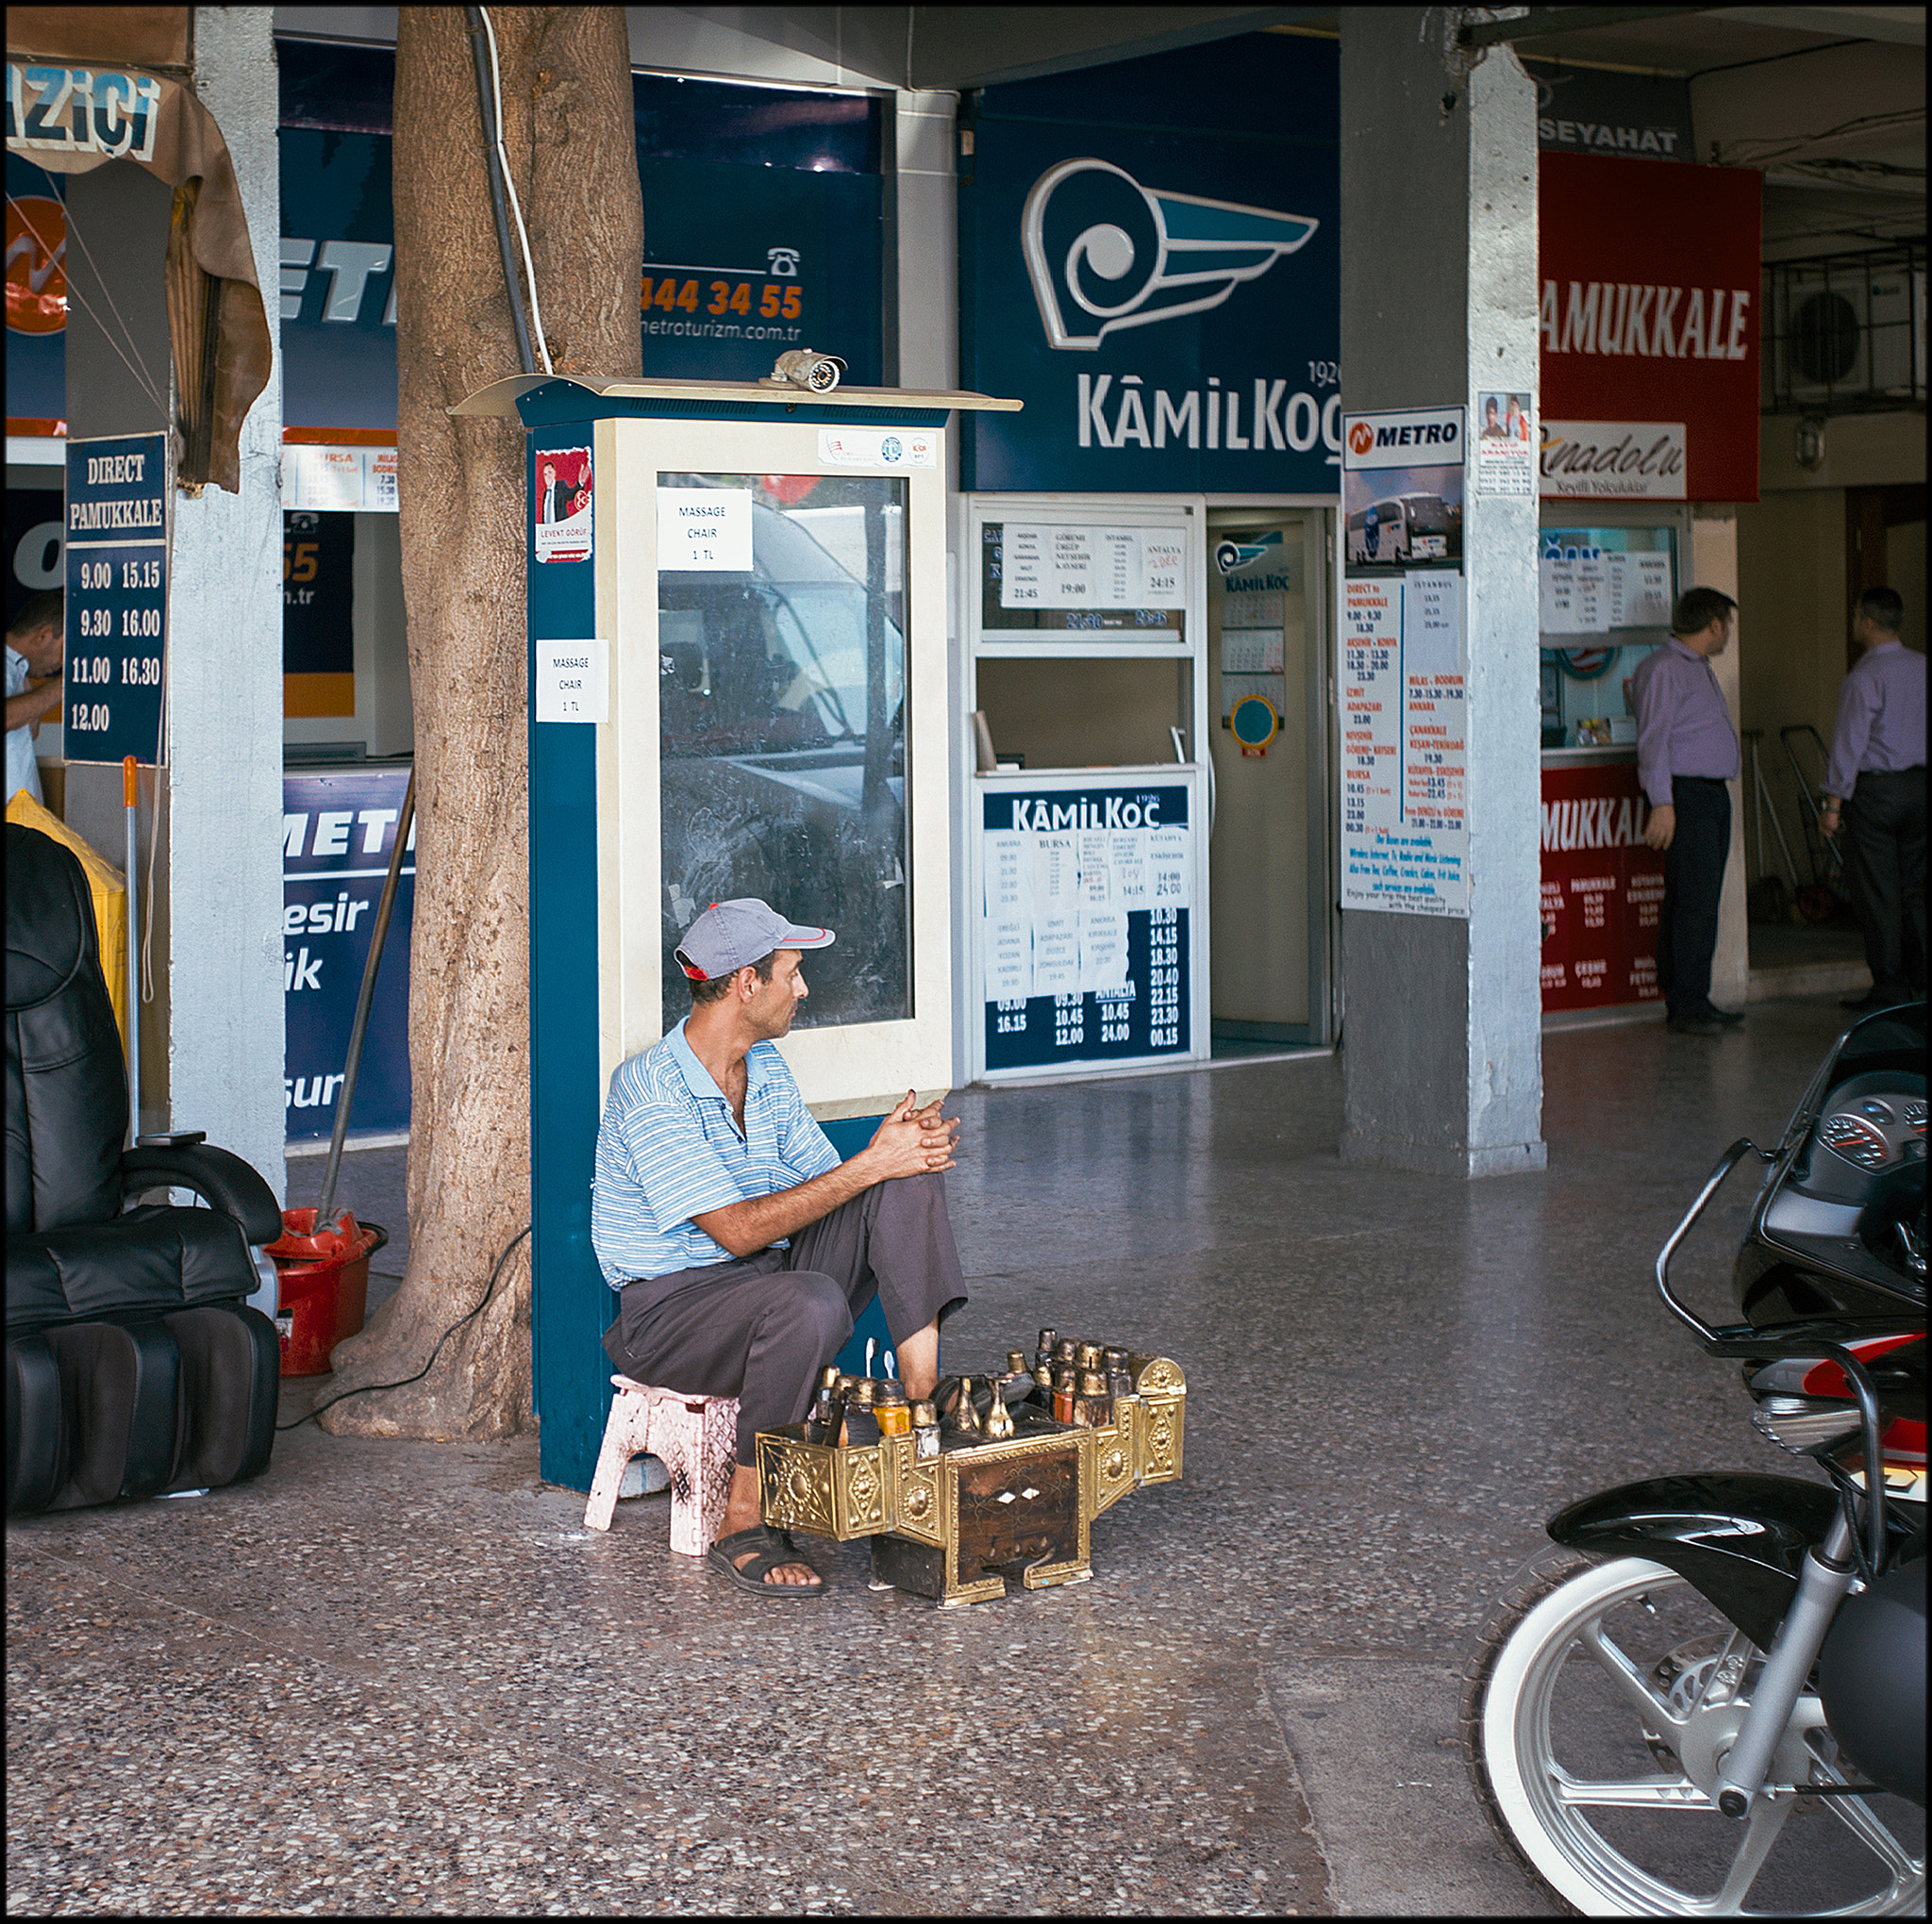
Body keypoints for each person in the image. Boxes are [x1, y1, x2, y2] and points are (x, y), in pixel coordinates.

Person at [592, 898, 968, 1598]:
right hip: (669, 1316)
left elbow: (836, 1192)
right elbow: (735, 1230)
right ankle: (743, 1520)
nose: (802, 989)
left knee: (903, 1183)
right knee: (810, 1298)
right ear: (745, 983)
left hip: (762, 1282)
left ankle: (924, 1418)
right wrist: (870, 1162)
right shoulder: (649, 1090)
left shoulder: (765, 1073)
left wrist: (904, 1151)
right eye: (792, 973)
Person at [1632, 586, 1742, 1036]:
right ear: (1713, 624)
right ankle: (1687, 1003)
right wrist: (1662, 802)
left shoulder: (1695, 667)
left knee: (1698, 898)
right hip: (1686, 796)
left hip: (1709, 794)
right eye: (1727, 625)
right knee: (1693, 902)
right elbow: (1654, 742)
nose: (1728, 634)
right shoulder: (1665, 670)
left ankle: (1693, 995)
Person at [1820, 587, 1925, 1012]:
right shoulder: (1922, 667)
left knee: (1878, 893)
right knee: (1912, 889)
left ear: (1866, 621)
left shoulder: (1863, 678)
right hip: (1920, 789)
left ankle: (1889, 988)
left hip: (1878, 794)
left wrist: (1832, 805)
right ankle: (1921, 981)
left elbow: (1849, 745)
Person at [6, 589, 64, 807]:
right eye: (63, 649)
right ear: (43, 635)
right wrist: (64, 686)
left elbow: (29, 732)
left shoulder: (19, 670)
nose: (62, 662)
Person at [538, 458, 569, 524]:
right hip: (547, 531)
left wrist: (580, 483)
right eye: (545, 474)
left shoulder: (561, 486)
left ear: (554, 473)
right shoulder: (545, 493)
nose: (547, 476)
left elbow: (570, 494)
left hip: (560, 529)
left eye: (549, 472)